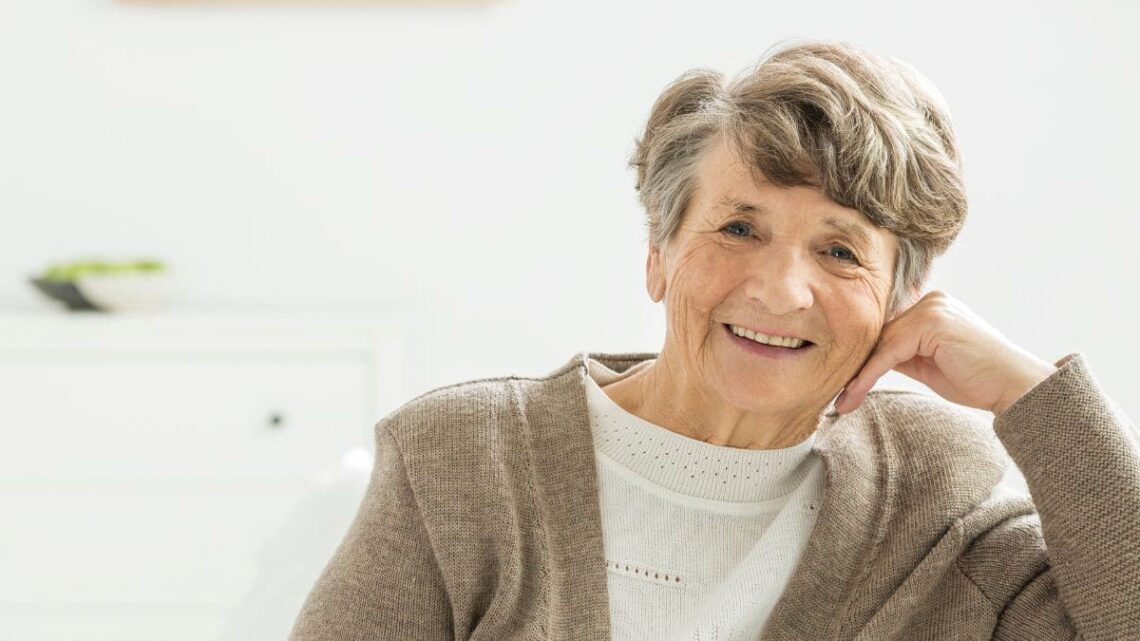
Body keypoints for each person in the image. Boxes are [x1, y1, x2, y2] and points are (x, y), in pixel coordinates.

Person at [287, 39, 1140, 640]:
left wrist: (1034, 397)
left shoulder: (937, 493)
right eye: (738, 228)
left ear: (898, 299)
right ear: (658, 255)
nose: (779, 289)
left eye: (840, 251)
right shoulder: (461, 461)